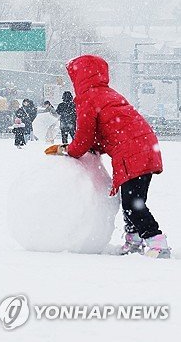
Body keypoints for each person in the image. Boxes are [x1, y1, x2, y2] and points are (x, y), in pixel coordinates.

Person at [46, 55, 169, 259]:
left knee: (133, 204)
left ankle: (157, 242)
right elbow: (108, 132)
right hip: (145, 147)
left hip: (132, 152)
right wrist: (93, 147)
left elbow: (85, 136)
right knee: (132, 200)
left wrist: (68, 150)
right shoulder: (108, 94)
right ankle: (134, 239)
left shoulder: (88, 97)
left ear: (79, 77)